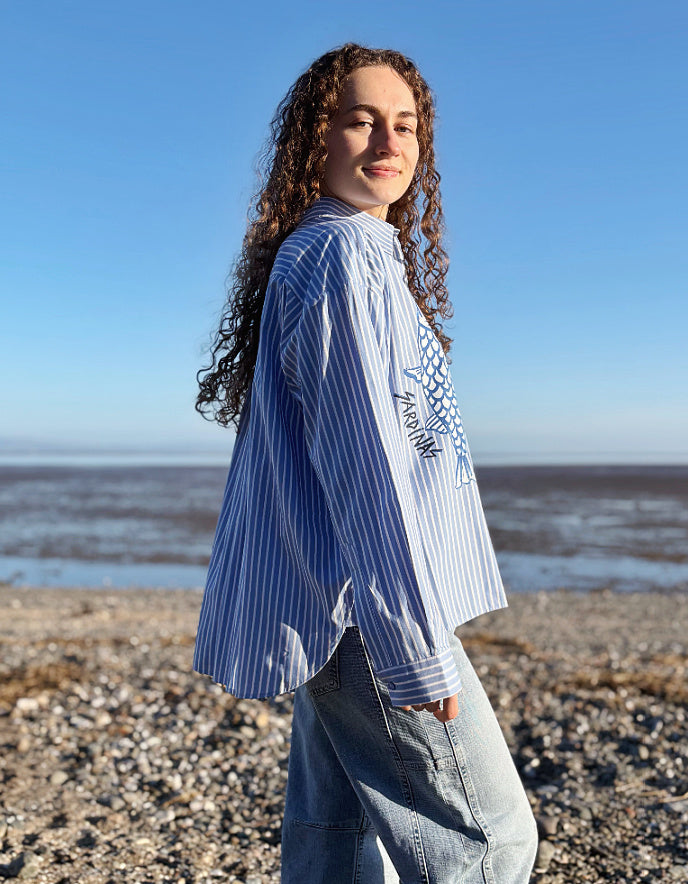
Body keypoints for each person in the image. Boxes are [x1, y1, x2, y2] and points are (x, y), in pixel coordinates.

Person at [193, 43, 538, 884]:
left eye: (406, 124)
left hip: (342, 601)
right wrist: (412, 648)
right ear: (316, 140)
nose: (389, 140)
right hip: (365, 608)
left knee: (341, 836)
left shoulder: (355, 253)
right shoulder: (341, 257)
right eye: (361, 119)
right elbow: (366, 468)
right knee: (490, 842)